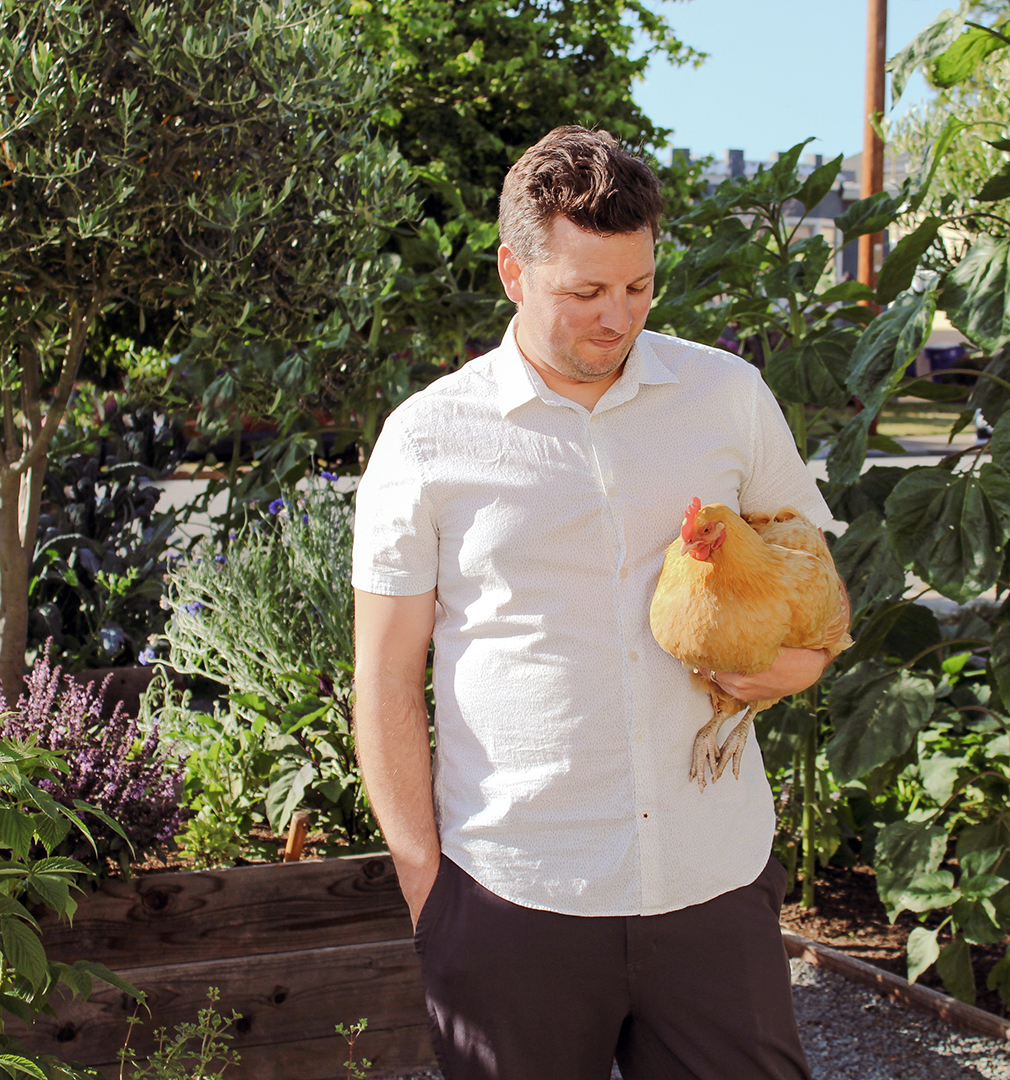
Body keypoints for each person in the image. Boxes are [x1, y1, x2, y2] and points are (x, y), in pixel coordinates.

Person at [351, 125, 831, 1080]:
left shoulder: (727, 396)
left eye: (639, 287)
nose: (618, 318)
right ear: (513, 273)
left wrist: (800, 663)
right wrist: (427, 888)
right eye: (585, 292)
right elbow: (387, 680)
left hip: (712, 882)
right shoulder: (427, 439)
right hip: (511, 895)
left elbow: (812, 585)